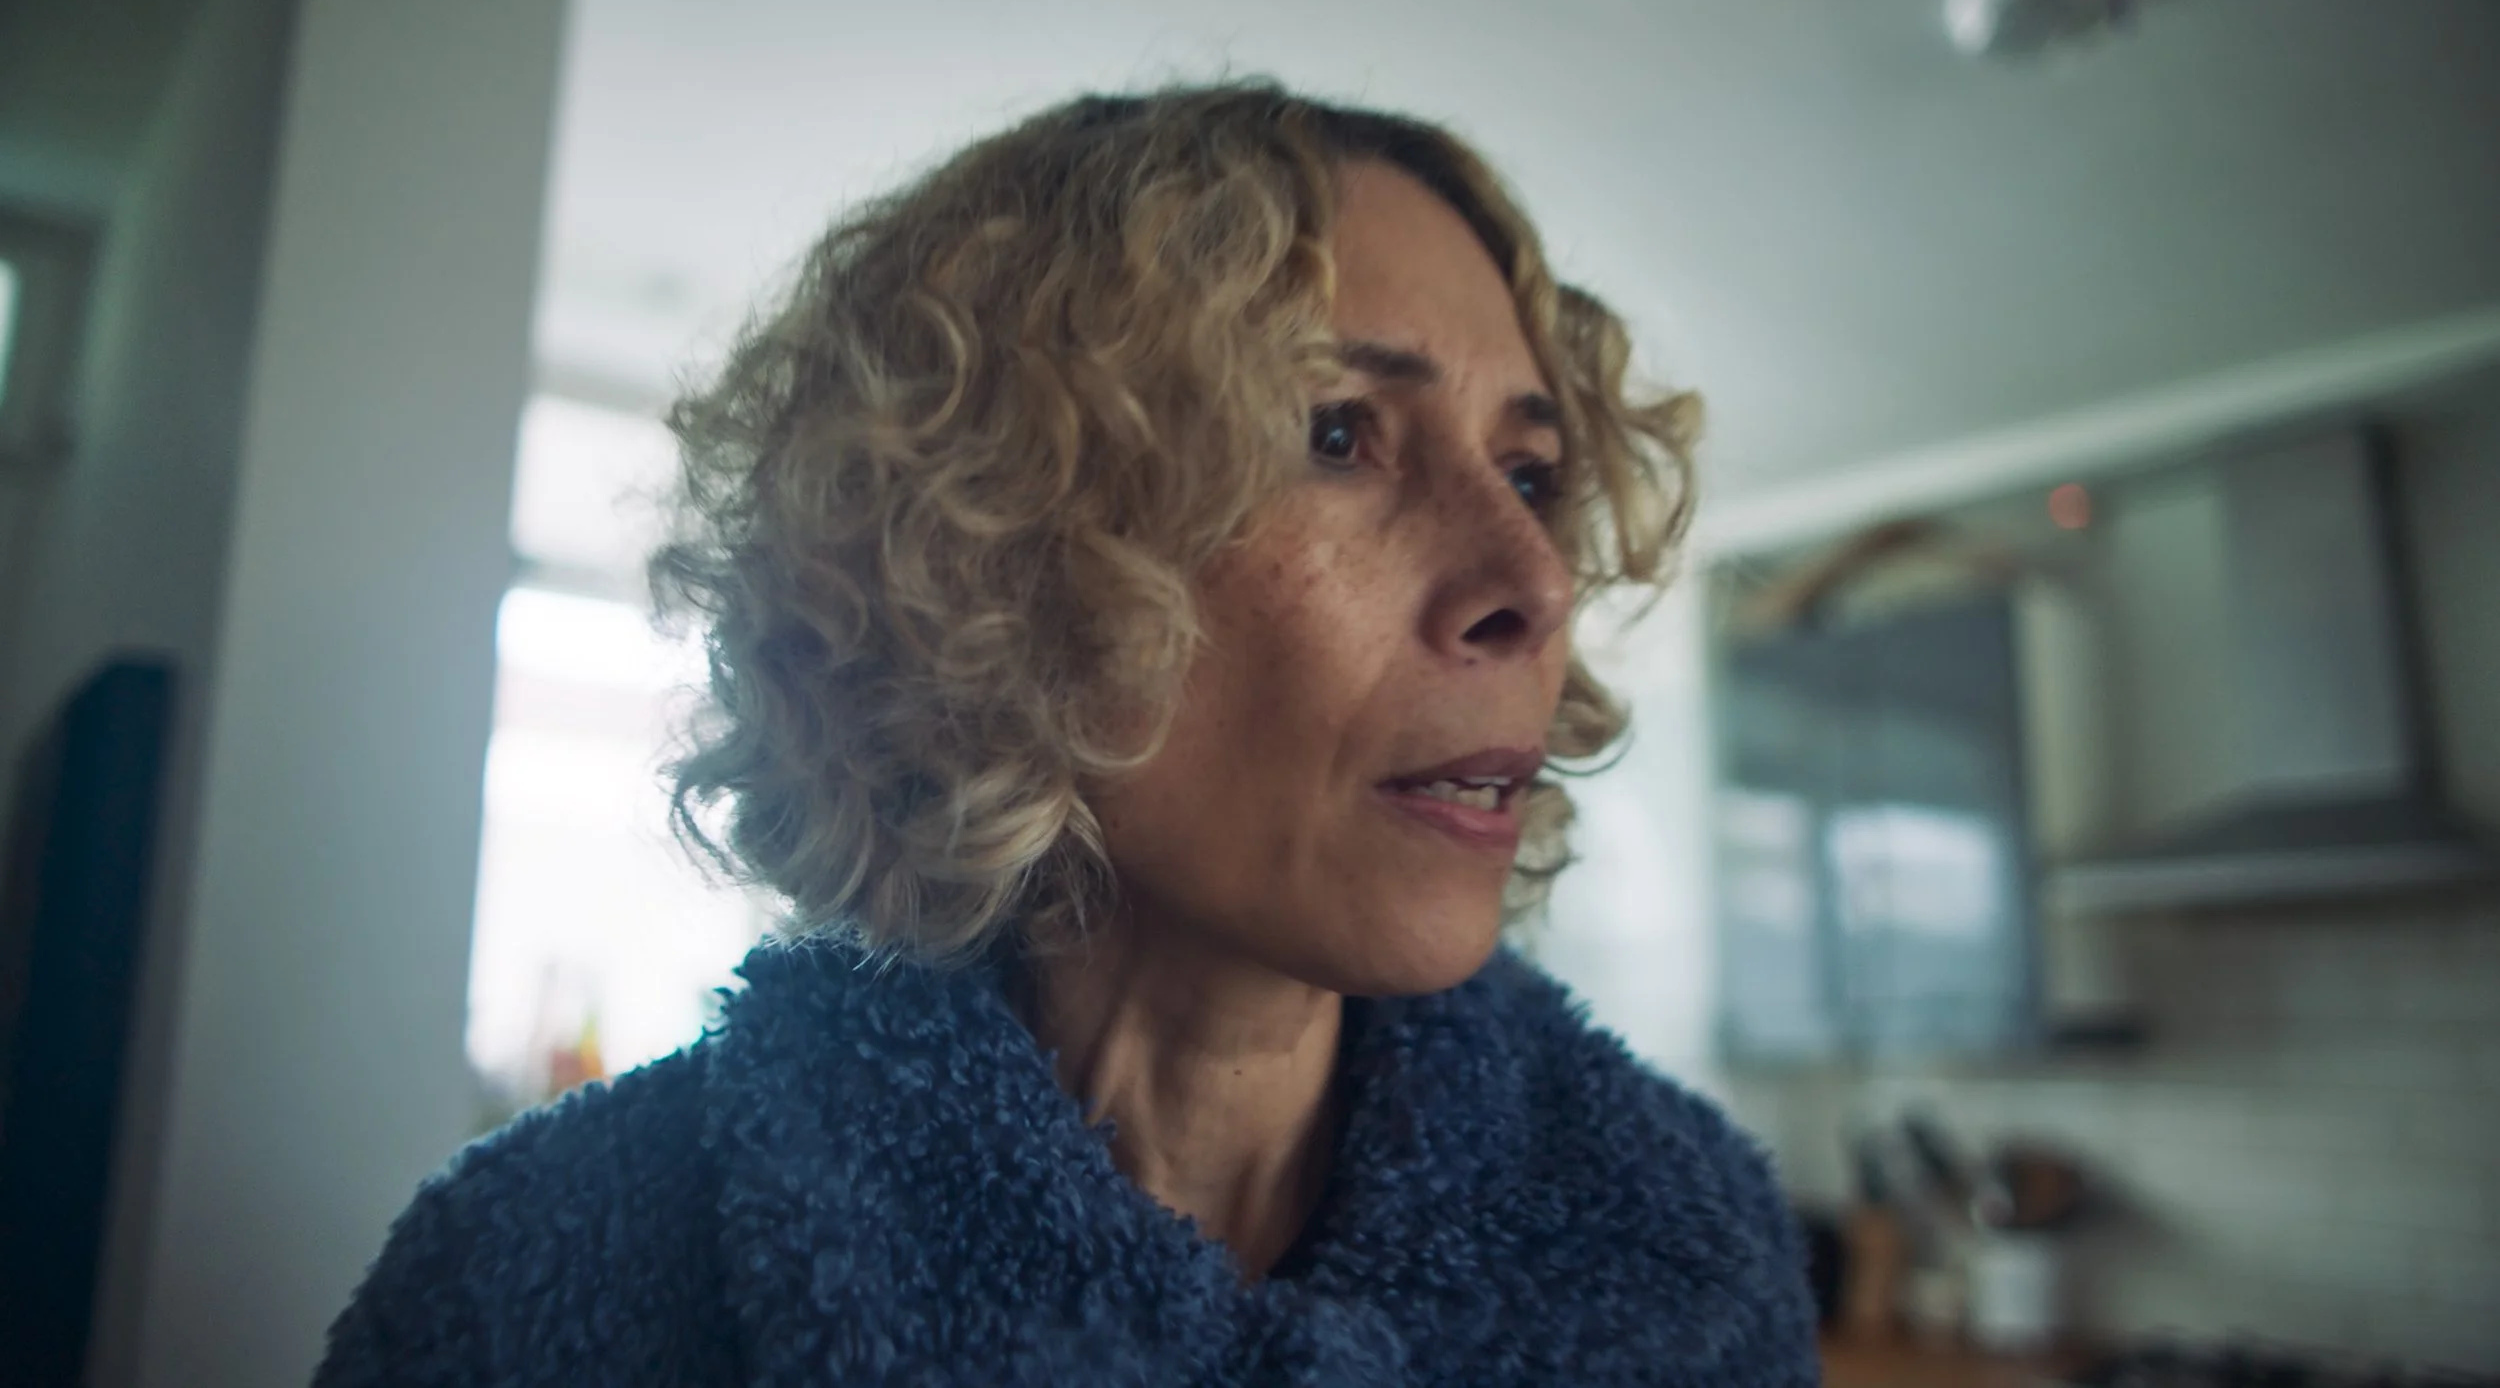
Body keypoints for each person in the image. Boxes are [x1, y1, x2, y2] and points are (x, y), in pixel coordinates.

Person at [315, 83, 1817, 1386]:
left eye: (1534, 472)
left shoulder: (1688, 1268)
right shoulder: (526, 1287)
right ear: (1001, 550)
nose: (1533, 582)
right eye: (1337, 432)